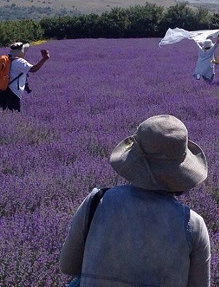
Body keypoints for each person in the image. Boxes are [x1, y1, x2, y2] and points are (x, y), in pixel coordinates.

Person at [60, 115, 211, 287]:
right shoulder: (193, 226)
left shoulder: (96, 201)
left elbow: (68, 266)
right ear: (182, 171)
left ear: (133, 160)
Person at [1, 42, 50, 112]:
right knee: (14, 114)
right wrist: (44, 59)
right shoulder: (20, 61)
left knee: (4, 113)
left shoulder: (6, 60)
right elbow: (33, 69)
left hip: (3, 90)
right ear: (20, 52)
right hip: (14, 93)